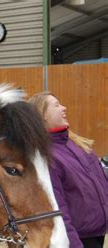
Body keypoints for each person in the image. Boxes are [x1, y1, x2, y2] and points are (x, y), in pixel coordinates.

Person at [28, 92, 107, 248]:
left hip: (98, 232)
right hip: (78, 239)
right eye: (56, 105)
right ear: (41, 114)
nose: (64, 108)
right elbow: (58, 209)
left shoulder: (78, 144)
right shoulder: (46, 158)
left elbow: (101, 184)